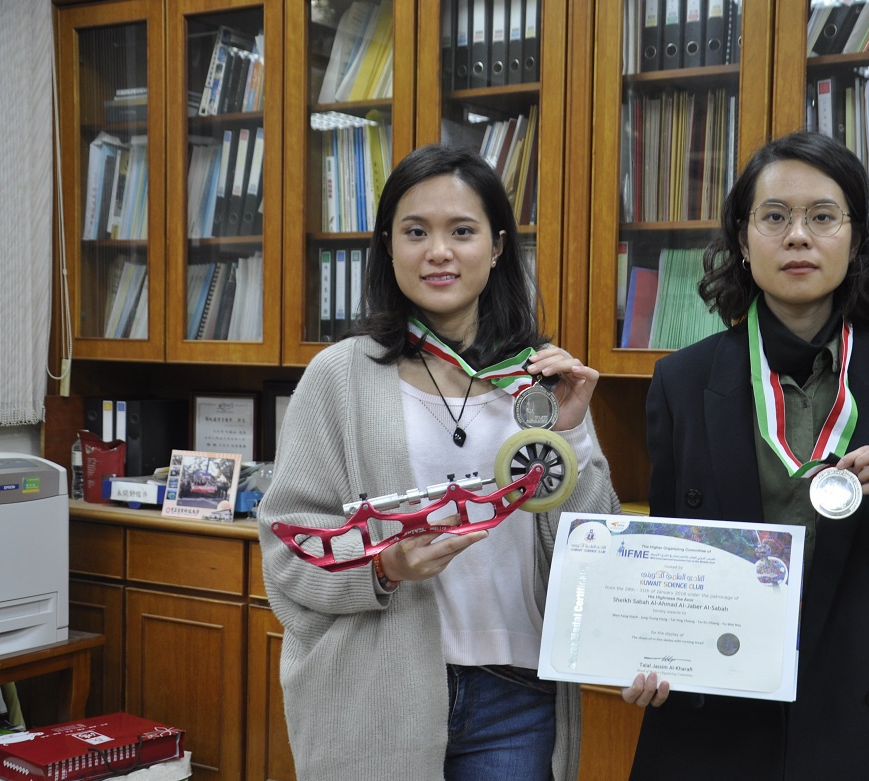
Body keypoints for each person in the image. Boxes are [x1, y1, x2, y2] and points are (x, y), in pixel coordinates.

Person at [257, 144, 619, 781]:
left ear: (498, 245)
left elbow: (595, 554)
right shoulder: (339, 379)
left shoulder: (536, 383)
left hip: (516, 696)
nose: (439, 251)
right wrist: (385, 568)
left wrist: (574, 437)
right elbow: (289, 549)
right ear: (389, 247)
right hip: (375, 690)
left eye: (462, 231)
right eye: (415, 231)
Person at [623, 131, 869, 779]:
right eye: (774, 216)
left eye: (823, 216)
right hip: (718, 710)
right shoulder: (682, 380)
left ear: (857, 237)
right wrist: (651, 650)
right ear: (742, 238)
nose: (798, 236)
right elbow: (671, 558)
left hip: (862, 707)